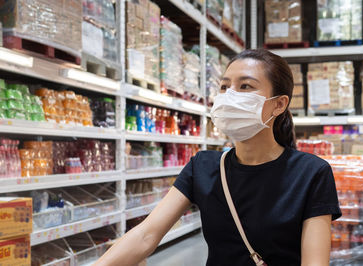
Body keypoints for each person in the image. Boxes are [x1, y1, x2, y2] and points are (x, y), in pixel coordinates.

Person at [94, 48, 341, 266]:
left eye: (245, 86)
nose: (229, 96)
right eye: (224, 87)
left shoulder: (311, 173)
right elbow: (146, 235)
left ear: (279, 105)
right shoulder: (203, 166)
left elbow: (315, 262)